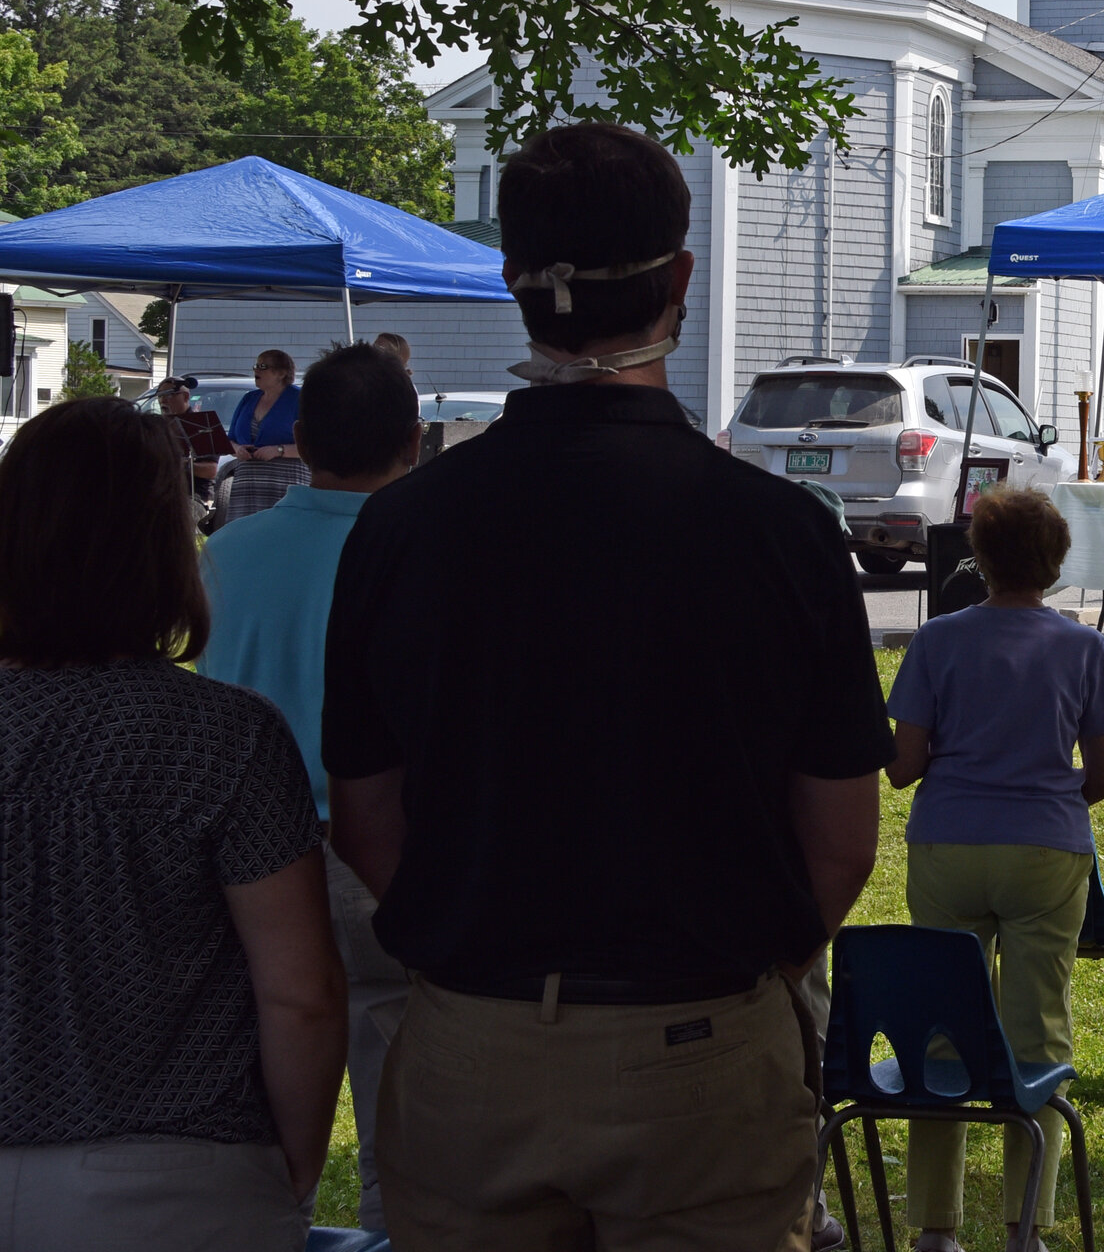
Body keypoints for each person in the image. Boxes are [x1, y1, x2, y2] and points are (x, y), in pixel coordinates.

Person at [324, 121, 892, 1252]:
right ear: (680, 278)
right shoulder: (778, 531)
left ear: (511, 280)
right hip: (704, 1039)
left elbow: (367, 818)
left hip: (468, 1044)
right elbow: (841, 841)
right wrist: (740, 972)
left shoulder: (402, 528)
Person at [0, 398, 344, 1251]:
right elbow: (303, 997)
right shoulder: (226, 736)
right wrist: (294, 1172)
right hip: (173, 1180)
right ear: (165, 542)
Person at [199, 342, 422, 1236]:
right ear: (415, 439)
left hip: (242, 870)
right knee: (399, 1121)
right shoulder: (424, 554)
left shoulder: (227, 551)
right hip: (388, 854)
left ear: (299, 439)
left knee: (250, 1112)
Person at [885, 486, 1104, 1252]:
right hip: (1046, 848)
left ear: (977, 559)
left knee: (942, 1033)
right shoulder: (1083, 648)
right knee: (1038, 1034)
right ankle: (1026, 1226)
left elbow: (903, 767)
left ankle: (934, 1227)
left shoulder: (937, 640)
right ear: (1055, 565)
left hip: (948, 843)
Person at [223, 347, 306, 523]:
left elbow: (314, 445)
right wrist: (238, 449)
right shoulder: (249, 398)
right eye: (255, 365)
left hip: (285, 482)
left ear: (281, 373)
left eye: (262, 366)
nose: (256, 370)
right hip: (247, 483)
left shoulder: (300, 399)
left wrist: (279, 450)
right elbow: (230, 440)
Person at [156, 372, 235, 513]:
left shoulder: (202, 426)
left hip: (193, 496)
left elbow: (211, 470)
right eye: (160, 396)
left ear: (186, 397)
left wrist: (180, 464)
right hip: (159, 493)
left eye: (168, 395)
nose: (163, 400)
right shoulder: (155, 426)